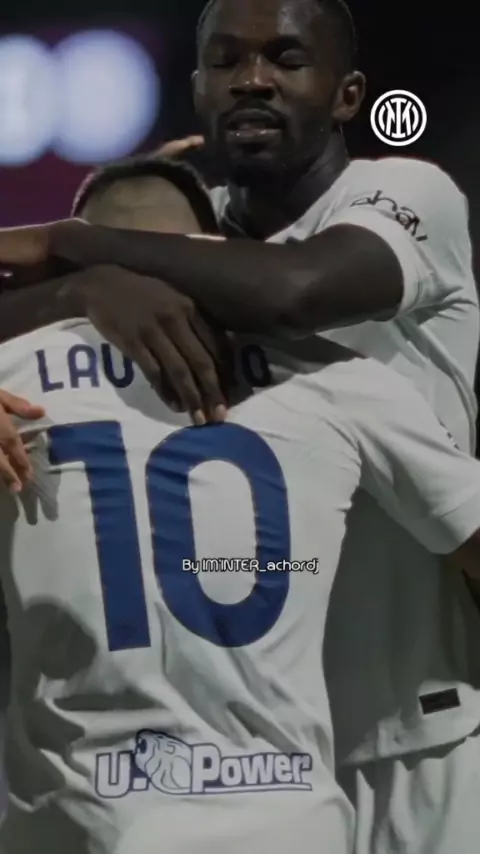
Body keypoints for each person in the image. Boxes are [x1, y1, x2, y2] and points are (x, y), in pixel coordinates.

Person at [0, 0, 478, 850]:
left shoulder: (406, 192)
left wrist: (77, 246)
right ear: (197, 88)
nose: (252, 80)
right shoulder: (179, 241)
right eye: (226, 62)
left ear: (348, 94)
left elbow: (291, 293)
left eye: (285, 60)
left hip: (413, 728)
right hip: (247, 738)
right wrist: (82, 289)